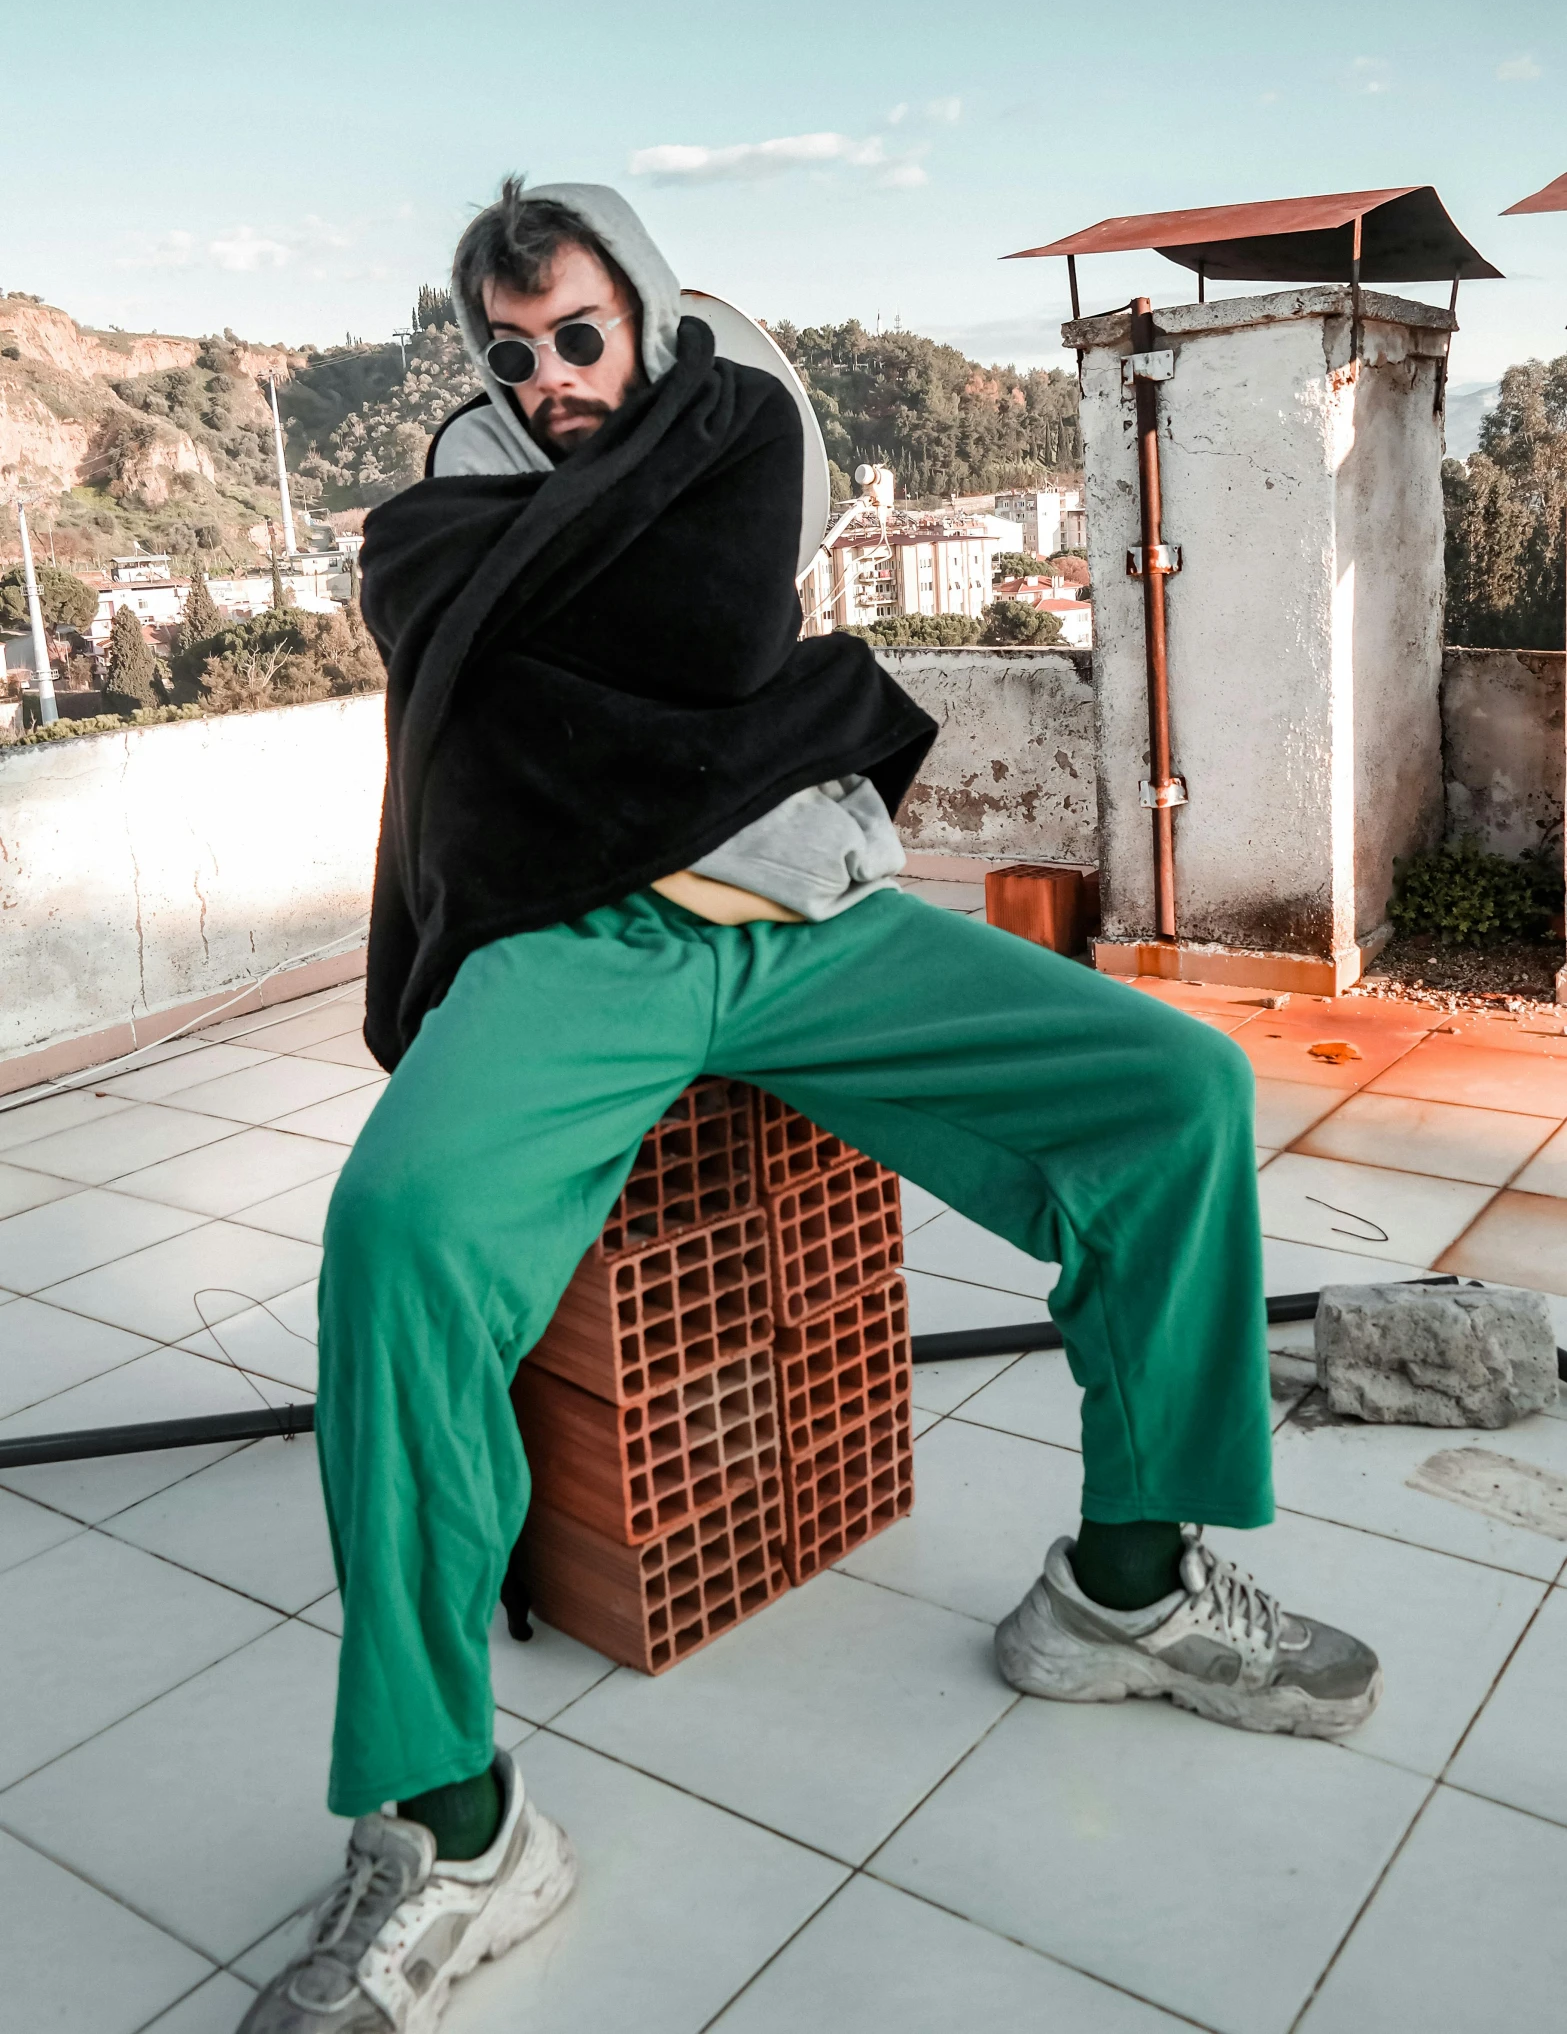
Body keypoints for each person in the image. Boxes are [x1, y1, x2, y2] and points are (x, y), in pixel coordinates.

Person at [240, 181, 1380, 2034]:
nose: (549, 386)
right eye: (514, 357)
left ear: (654, 316)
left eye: (583, 339)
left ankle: (1124, 1582)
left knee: (1173, 1082)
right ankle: (453, 1823)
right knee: (396, 1237)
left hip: (796, 914)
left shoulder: (738, 414)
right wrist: (556, 585)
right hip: (570, 943)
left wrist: (531, 599)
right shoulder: (460, 493)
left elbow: (701, 641)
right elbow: (467, 606)